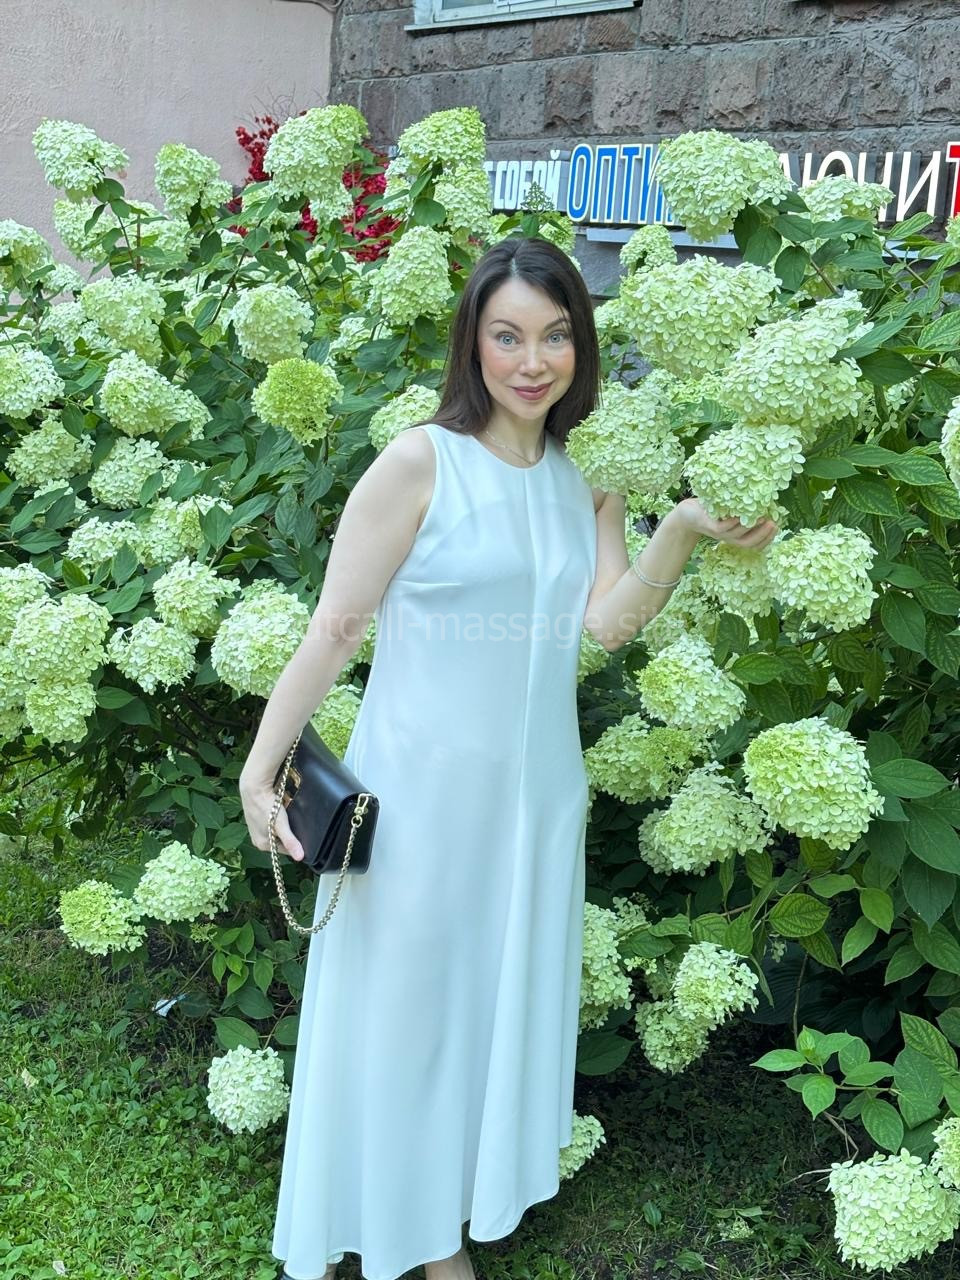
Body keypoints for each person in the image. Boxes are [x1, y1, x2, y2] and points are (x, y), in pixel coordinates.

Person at [239, 236, 778, 1280]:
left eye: (555, 336)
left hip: (537, 802)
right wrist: (260, 772)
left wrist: (681, 528)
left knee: (492, 1008)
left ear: (581, 343)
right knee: (412, 1015)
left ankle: (453, 1201)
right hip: (423, 795)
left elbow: (607, 626)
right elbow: (334, 630)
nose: (533, 362)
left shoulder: (590, 480)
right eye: (507, 336)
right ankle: (426, 1242)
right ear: (472, 344)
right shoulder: (420, 462)